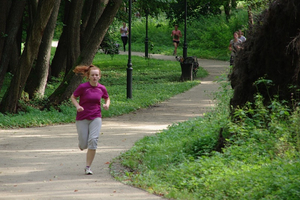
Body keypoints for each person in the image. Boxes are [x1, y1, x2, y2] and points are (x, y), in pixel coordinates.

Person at [70, 65, 110, 175]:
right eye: (92, 75)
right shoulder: (83, 87)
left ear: (99, 76)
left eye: (97, 75)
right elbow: (73, 97)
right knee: (83, 145)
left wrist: (106, 104)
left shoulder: (102, 88)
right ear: (88, 76)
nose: (94, 77)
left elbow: (107, 97)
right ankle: (82, 144)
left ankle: (88, 167)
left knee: (93, 140)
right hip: (82, 117)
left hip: (96, 117)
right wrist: (78, 106)